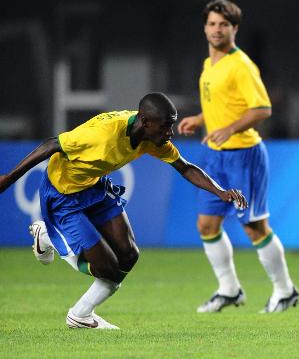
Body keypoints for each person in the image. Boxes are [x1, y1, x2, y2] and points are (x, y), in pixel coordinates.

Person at [0, 92, 247, 329]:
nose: (169, 133)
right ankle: (48, 238)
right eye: (166, 126)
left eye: (171, 125)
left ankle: (81, 315)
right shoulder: (102, 136)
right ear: (146, 122)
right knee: (107, 270)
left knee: (128, 256)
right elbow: (52, 144)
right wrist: (9, 179)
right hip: (63, 194)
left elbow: (185, 167)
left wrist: (221, 192)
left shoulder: (151, 138)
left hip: (94, 187)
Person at [178, 0, 299, 313]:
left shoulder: (241, 65)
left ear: (235, 29)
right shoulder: (209, 65)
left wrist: (230, 129)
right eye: (213, 24)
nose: (217, 30)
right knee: (207, 225)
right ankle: (229, 290)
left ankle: (285, 291)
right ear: (205, 27)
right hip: (216, 157)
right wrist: (201, 119)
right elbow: (224, 103)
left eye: (224, 25)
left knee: (255, 228)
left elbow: (262, 108)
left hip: (244, 155)